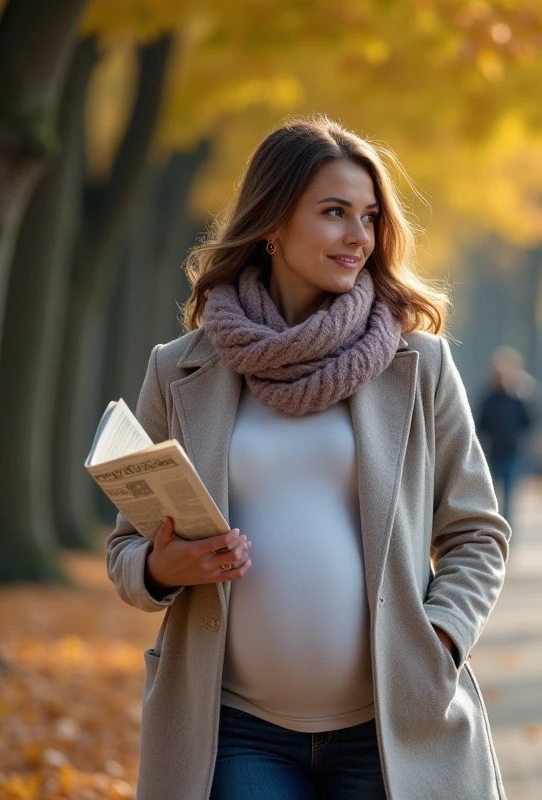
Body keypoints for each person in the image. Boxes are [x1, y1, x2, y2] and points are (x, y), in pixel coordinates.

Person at [105, 116, 510, 800]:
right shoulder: (179, 371)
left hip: (391, 724)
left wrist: (440, 637)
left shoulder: (419, 366)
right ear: (273, 223)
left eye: (370, 217)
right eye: (334, 213)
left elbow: (477, 533)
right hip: (233, 729)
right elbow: (125, 548)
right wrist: (158, 568)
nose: (359, 236)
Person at [475, 346, 536, 523]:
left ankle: (507, 532)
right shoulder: (488, 398)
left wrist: (519, 438)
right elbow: (479, 423)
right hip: (492, 453)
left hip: (513, 453)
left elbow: (531, 422)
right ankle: (492, 527)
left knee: (509, 496)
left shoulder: (520, 397)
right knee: (490, 495)